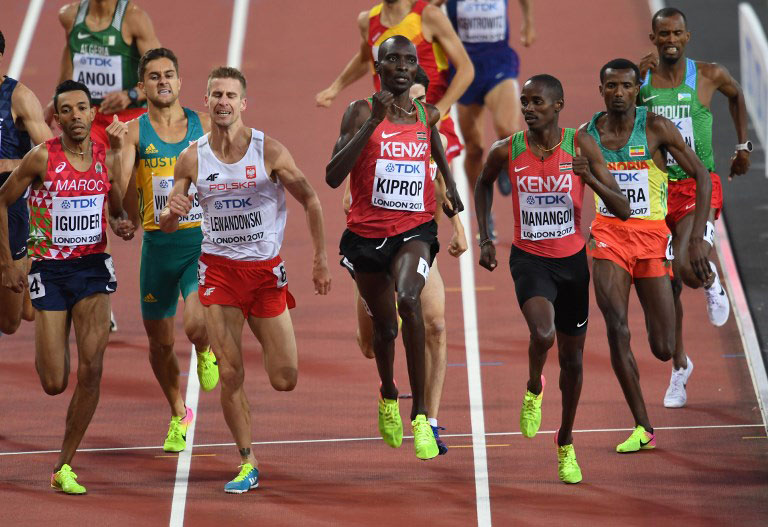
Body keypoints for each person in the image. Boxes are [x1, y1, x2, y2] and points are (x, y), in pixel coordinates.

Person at [160, 66, 331, 493]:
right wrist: (171, 213)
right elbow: (165, 222)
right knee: (231, 373)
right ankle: (247, 460)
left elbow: (310, 199)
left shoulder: (268, 151)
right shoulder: (192, 158)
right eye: (215, 94)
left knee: (284, 378)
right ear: (206, 101)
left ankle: (217, 346)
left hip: (264, 274)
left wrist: (320, 259)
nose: (222, 102)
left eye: (230, 96)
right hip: (219, 273)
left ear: (243, 104)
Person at [475, 74, 629, 483]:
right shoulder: (508, 149)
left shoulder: (580, 146)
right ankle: (532, 387)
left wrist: (590, 177)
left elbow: (624, 207)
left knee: (574, 362)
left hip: (573, 266)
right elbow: (482, 183)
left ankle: (565, 442)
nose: (527, 108)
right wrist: (485, 238)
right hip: (530, 261)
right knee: (543, 334)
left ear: (558, 106)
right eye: (524, 101)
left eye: (537, 102)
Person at [327, 36, 464, 461]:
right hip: (367, 237)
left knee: (411, 299)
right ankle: (388, 392)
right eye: (394, 59)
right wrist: (372, 124)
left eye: (409, 60)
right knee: (384, 331)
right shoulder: (361, 112)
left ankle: (422, 417)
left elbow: (435, 141)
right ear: (380, 65)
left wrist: (451, 184)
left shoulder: (426, 112)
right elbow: (333, 175)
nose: (403, 66)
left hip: (415, 229)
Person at [0, 80, 134, 494]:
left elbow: (114, 209)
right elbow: (2, 200)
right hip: (50, 272)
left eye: (83, 108)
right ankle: (64, 454)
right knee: (54, 380)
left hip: (93, 268)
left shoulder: (104, 157)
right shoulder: (41, 158)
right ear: (55, 119)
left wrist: (121, 222)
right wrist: (7, 262)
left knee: (92, 369)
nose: (76, 116)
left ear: (93, 114)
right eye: (67, 111)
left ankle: (64, 464)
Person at [586, 59, 711, 453]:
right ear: (601, 90)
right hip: (609, 236)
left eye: (626, 86)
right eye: (611, 87)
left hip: (653, 238)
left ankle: (676, 326)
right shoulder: (589, 133)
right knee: (616, 327)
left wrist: (697, 238)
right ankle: (643, 426)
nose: (619, 93)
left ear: (637, 89)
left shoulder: (655, 126)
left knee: (661, 347)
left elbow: (702, 177)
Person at [638, 7, 750, 407]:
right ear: (653, 38)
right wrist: (635, 80)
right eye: (663, 34)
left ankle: (710, 280)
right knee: (666, 292)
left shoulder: (708, 74)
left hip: (698, 185)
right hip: (655, 192)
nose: (670, 40)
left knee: (687, 267)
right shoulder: (641, 82)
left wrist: (742, 147)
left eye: (677, 34)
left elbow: (736, 96)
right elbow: (621, 120)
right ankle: (680, 368)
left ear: (688, 37)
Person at [117, 47, 218, 452]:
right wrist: (122, 211)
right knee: (159, 344)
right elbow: (125, 195)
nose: (163, 81)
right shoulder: (134, 132)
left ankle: (206, 349)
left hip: (200, 243)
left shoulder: (205, 125)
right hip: (157, 247)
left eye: (169, 75)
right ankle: (179, 413)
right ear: (141, 87)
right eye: (154, 76)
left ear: (179, 82)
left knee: (195, 326)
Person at [315, 0, 474, 164]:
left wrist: (439, 111)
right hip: (389, 123)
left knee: (433, 185)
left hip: (429, 122)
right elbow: (365, 60)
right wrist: (334, 88)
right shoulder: (368, 21)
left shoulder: (428, 16)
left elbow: (466, 69)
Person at [433, 0, 535, 237]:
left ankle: (500, 162)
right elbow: (424, 7)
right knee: (475, 148)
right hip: (465, 68)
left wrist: (528, 23)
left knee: (509, 130)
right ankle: (485, 214)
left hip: (498, 62)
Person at [50, 0, 161, 147]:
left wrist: (130, 95)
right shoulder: (70, 15)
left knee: (129, 163)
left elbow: (160, 73)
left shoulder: (134, 18)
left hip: (130, 114)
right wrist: (56, 99)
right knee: (80, 158)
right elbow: (71, 57)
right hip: (90, 116)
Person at [0, 30, 54, 335]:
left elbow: (53, 158)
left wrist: (9, 165)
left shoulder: (18, 97)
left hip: (10, 213)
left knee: (11, 322)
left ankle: (32, 263)